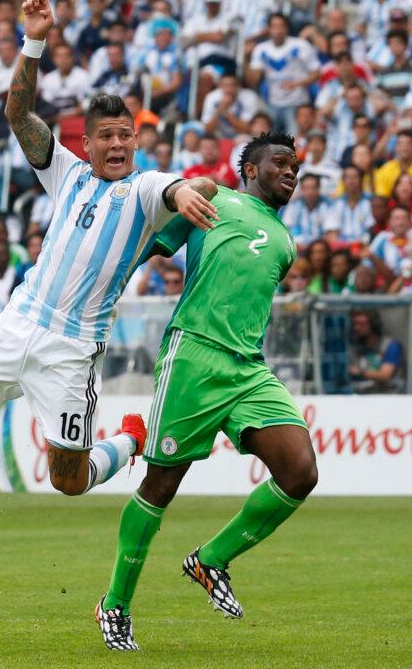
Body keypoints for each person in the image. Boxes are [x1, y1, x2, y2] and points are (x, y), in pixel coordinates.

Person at [0, 0, 218, 500]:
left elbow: (178, 187)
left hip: (71, 350)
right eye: (107, 136)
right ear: (88, 145)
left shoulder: (143, 191)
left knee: (69, 482)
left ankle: (131, 438)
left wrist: (190, 191)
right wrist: (35, 40)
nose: (119, 144)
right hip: (18, 323)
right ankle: (14, 380)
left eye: (127, 135)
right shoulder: (66, 173)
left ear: (136, 142)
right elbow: (17, 113)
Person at [95, 132, 317, 651]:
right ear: (250, 169)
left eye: (296, 166)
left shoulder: (287, 244)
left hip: (248, 369)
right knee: (161, 486)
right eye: (280, 163)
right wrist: (103, 290)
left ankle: (210, 559)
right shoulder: (212, 198)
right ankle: (115, 604)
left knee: (300, 471)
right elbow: (149, 244)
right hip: (194, 356)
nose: (291, 171)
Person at [347, 308, 405, 392]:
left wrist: (360, 372)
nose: (357, 328)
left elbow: (385, 375)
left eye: (362, 324)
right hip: (363, 395)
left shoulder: (390, 346)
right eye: (355, 324)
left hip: (388, 396)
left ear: (373, 324)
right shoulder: (355, 347)